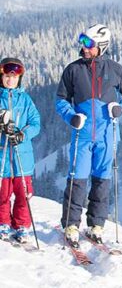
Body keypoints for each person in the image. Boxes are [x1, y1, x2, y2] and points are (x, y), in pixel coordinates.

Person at [56, 24, 122, 246]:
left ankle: (96, 225)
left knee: (102, 181)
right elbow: (60, 100)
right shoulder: (73, 70)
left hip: (107, 135)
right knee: (77, 179)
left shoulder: (115, 69)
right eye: (82, 41)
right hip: (82, 134)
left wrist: (121, 108)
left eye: (88, 43)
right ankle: (71, 225)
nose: (83, 47)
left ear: (101, 46)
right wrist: (71, 116)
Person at [0, 57, 41, 244]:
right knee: (2, 194)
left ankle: (21, 226)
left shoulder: (24, 100)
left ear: (19, 79)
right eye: (7, 76)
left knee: (23, 195)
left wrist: (22, 135)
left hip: (22, 158)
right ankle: (3, 223)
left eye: (14, 77)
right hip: (2, 157)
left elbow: (35, 123)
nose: (10, 80)